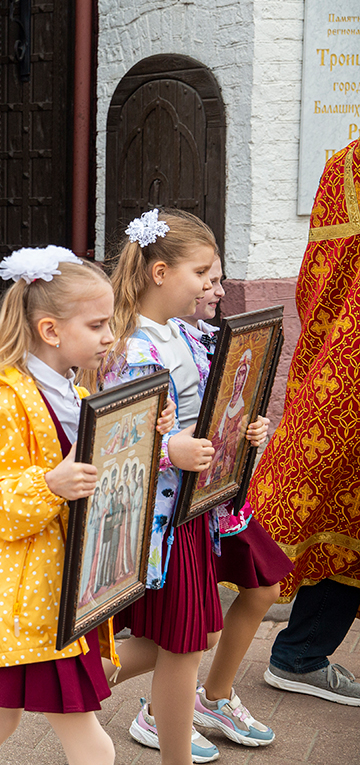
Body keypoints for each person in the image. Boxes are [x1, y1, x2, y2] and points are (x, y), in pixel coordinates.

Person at [0, 246, 139, 765]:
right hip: (29, 602)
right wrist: (51, 484)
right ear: (51, 331)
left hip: (55, 593)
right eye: (97, 325)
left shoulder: (74, 395)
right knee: (93, 746)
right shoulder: (4, 404)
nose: (110, 336)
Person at [96, 208, 229, 765]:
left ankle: (71, 675)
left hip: (190, 512)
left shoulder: (181, 332)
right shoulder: (133, 349)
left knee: (190, 638)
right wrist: (173, 449)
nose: (208, 286)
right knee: (184, 643)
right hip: (162, 518)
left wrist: (238, 423)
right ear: (159, 273)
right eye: (200, 273)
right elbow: (120, 441)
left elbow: (204, 405)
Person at [250, 137, 360, 707]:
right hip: (346, 375)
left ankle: (301, 654)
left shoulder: (348, 161)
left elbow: (321, 283)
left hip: (342, 369)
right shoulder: (350, 163)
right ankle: (295, 656)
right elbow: (325, 281)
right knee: (330, 506)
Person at [176, 253, 288, 745]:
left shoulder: (208, 338)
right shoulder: (154, 344)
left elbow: (226, 407)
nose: (219, 290)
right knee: (191, 633)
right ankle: (158, 710)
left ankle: (214, 696)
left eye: (219, 279)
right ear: (162, 275)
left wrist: (249, 428)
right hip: (182, 505)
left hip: (220, 497)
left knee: (263, 588)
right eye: (207, 278)